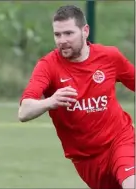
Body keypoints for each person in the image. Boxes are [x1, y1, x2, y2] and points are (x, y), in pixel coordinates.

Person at [18, 5, 135, 189]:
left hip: (119, 140)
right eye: (58, 35)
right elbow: (24, 111)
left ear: (85, 31)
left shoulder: (109, 57)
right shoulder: (48, 66)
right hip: (85, 159)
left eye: (68, 33)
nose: (62, 40)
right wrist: (50, 102)